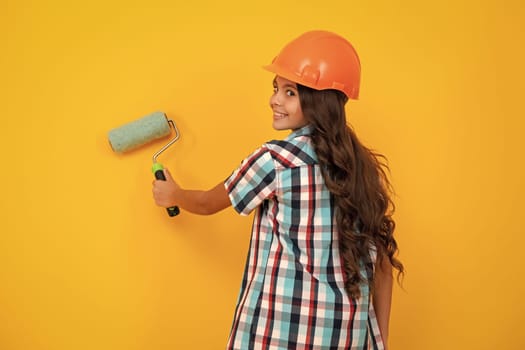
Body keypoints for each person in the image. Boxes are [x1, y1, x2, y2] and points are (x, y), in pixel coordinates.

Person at [152, 30, 404, 350]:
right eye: (276, 89)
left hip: (284, 333)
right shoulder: (362, 169)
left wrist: (174, 195)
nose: (274, 100)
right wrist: (379, 342)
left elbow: (206, 203)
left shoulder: (277, 160)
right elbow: (381, 266)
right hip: (346, 336)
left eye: (290, 93)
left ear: (318, 100)